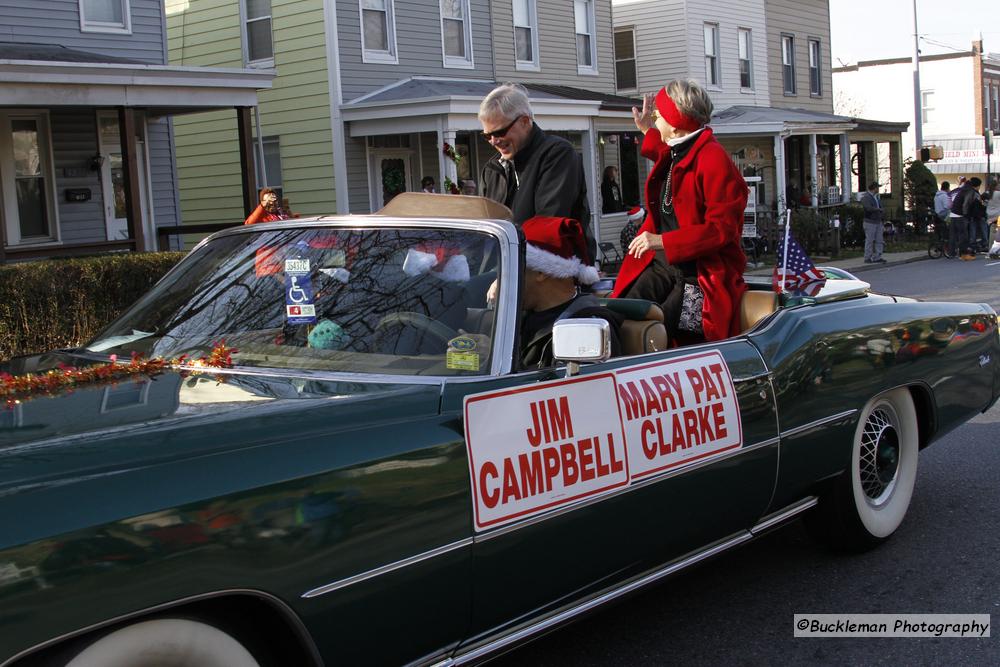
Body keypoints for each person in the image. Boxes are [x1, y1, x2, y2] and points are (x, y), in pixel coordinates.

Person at [610, 79, 748, 344]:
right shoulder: (683, 150)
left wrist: (661, 240)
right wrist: (648, 130)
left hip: (700, 275)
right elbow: (666, 154)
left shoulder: (713, 159)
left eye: (658, 115)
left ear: (674, 125)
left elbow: (722, 229)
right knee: (621, 316)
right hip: (665, 266)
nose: (654, 118)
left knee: (677, 338)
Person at [479, 83, 594, 260]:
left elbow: (548, 224)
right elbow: (485, 227)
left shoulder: (558, 154)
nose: (493, 141)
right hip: (505, 269)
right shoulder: (493, 169)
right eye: (487, 136)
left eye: (499, 132)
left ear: (525, 121)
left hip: (554, 271)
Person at [518, 216, 622, 369]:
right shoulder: (521, 316)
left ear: (541, 272)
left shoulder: (587, 328)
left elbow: (577, 388)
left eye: (518, 267)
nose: (510, 277)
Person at [950, 177, 981, 260]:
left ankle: (951, 253)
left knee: (953, 234)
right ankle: (963, 254)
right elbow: (966, 204)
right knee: (963, 235)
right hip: (960, 214)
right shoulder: (970, 191)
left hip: (953, 213)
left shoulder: (964, 188)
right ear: (977, 186)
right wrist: (966, 215)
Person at [860, 182, 885, 263]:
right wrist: (878, 210)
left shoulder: (876, 197)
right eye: (877, 188)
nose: (878, 189)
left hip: (878, 221)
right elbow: (868, 208)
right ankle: (867, 257)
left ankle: (877, 256)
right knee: (870, 240)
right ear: (874, 188)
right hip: (870, 221)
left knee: (879, 239)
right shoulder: (866, 197)